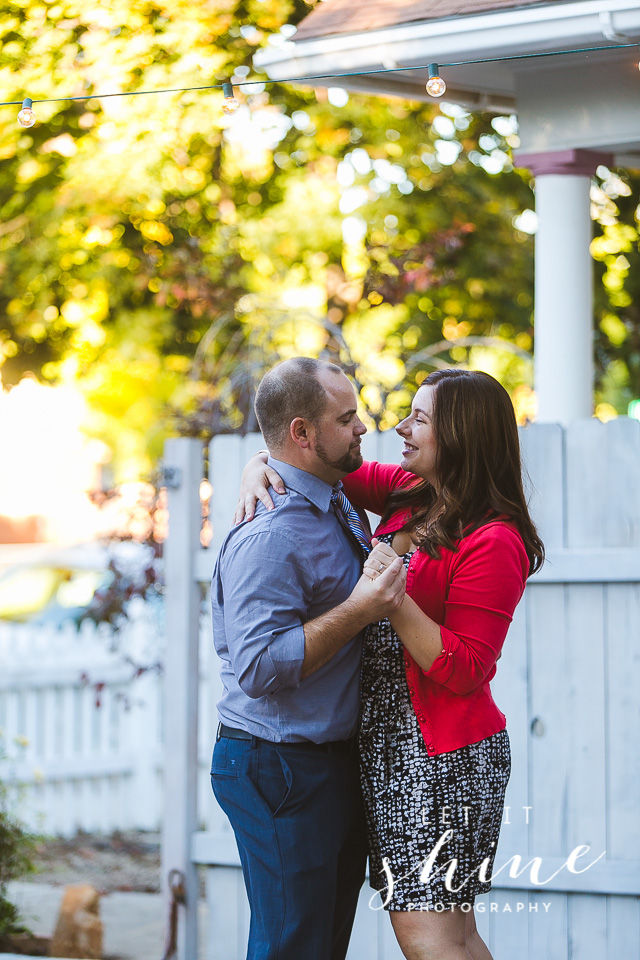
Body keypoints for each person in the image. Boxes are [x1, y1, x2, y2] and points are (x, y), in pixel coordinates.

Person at [237, 367, 544, 960]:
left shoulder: (494, 539)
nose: (400, 428)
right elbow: (316, 467)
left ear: (459, 435)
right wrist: (257, 465)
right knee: (452, 934)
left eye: (420, 419)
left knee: (428, 935)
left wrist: (388, 599)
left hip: (441, 758)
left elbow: (466, 667)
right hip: (395, 749)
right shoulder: (410, 491)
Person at [210, 356, 407, 960]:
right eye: (346, 419)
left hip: (325, 761)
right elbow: (259, 667)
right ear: (301, 432)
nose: (362, 429)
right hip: (279, 767)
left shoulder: (332, 492)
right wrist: (360, 608)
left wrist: (257, 463)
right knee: (291, 946)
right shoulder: (270, 535)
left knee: (319, 946)